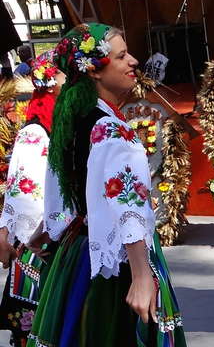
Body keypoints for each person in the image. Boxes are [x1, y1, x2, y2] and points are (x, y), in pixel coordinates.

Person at [27, 23, 185, 347]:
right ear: (94, 71)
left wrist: (48, 229)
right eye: (122, 56)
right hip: (115, 263)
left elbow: (63, 187)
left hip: (79, 251)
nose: (134, 62)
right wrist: (142, 276)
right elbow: (126, 203)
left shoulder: (74, 118)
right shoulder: (111, 129)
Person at [0, 51, 64, 347]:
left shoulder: (60, 122)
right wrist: (12, 235)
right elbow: (21, 190)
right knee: (35, 329)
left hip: (53, 238)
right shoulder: (35, 133)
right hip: (35, 245)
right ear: (52, 83)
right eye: (65, 76)